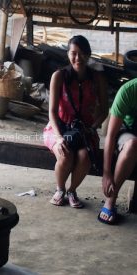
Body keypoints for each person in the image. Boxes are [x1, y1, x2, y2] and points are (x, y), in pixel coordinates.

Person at [43, 35, 108, 208]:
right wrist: (59, 137)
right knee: (65, 154)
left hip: (85, 130)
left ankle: (72, 190)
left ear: (88, 55)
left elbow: (104, 111)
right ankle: (60, 189)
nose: (77, 58)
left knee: (84, 156)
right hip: (58, 127)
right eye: (73, 53)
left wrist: (92, 128)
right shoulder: (59, 76)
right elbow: (52, 112)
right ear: (68, 54)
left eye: (81, 53)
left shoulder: (97, 78)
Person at [98, 79, 137, 225]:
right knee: (133, 145)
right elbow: (111, 135)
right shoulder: (129, 90)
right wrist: (106, 173)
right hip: (125, 130)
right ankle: (110, 200)